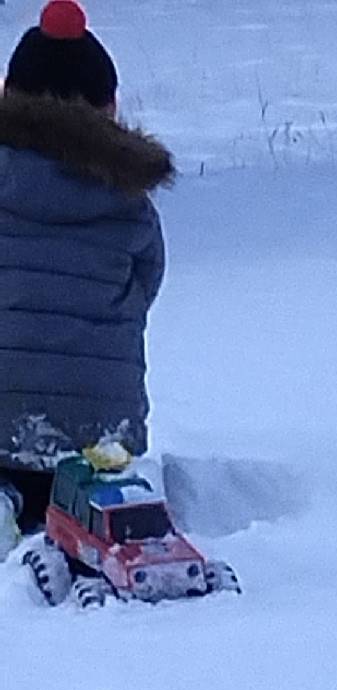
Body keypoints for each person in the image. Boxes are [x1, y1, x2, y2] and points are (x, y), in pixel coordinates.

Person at [0, 2, 171, 549]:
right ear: (109, 108)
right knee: (90, 477)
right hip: (101, 428)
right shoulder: (130, 201)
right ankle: (93, 506)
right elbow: (143, 289)